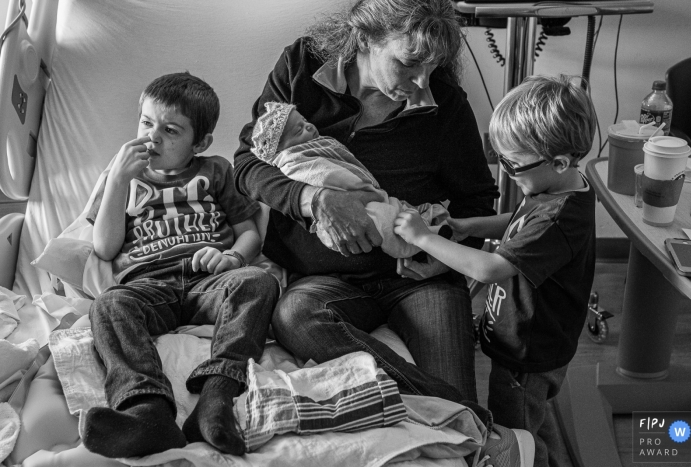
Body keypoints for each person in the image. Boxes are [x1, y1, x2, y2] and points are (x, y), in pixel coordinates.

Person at [234, 0, 500, 433]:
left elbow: (477, 199)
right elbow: (247, 162)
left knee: (455, 388)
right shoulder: (301, 67)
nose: (420, 83)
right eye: (409, 64)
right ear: (365, 39)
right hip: (328, 281)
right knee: (293, 314)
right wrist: (311, 199)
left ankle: (457, 415)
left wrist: (443, 253)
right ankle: (451, 408)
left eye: (432, 69)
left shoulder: (444, 105)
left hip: (417, 280)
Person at [394, 74, 597, 467]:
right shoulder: (557, 188)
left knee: (514, 434)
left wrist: (421, 237)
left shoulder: (558, 217)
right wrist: (472, 226)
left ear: (558, 162)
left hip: (528, 354)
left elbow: (489, 269)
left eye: (513, 163)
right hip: (528, 343)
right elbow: (521, 222)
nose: (505, 170)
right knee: (536, 419)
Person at [83, 72, 279, 458]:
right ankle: (147, 412)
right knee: (108, 304)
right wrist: (119, 177)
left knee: (258, 282)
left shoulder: (217, 170)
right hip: (149, 285)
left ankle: (216, 397)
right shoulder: (121, 177)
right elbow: (104, 248)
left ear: (200, 141)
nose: (152, 137)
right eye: (146, 122)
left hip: (210, 280)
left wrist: (232, 258)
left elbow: (251, 234)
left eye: (170, 130)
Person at [250, 101, 452, 259]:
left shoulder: (318, 143)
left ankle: (429, 229)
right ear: (281, 149)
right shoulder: (293, 160)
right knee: (386, 223)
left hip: (369, 202)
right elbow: (324, 175)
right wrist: (356, 191)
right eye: (298, 130)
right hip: (348, 216)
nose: (309, 127)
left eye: (304, 120)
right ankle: (421, 243)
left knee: (397, 210)